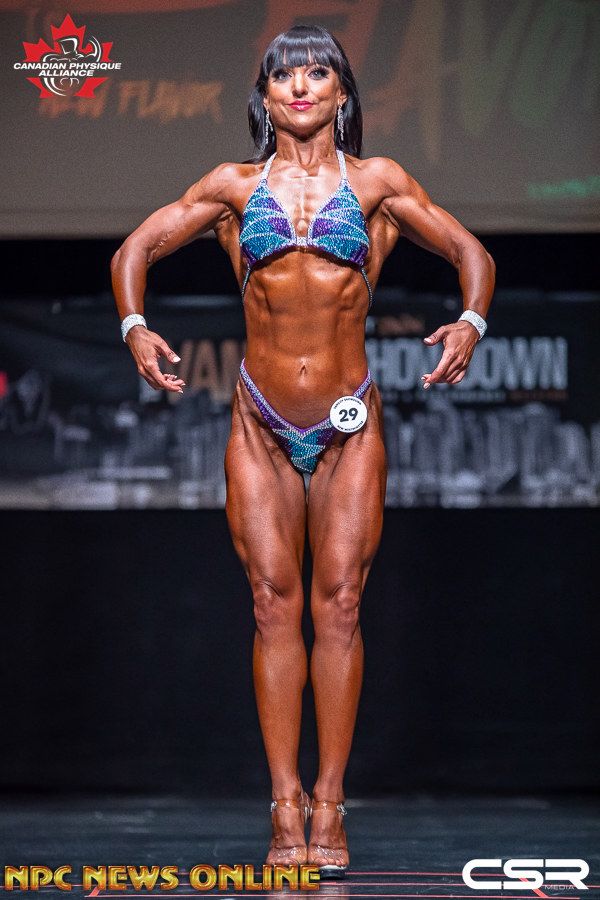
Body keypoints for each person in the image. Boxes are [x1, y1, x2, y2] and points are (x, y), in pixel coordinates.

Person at [111, 24, 495, 878]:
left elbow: (471, 252)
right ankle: (284, 804)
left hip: (349, 424)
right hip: (260, 422)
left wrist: (470, 321)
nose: (300, 86)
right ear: (264, 95)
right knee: (271, 604)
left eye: (318, 72)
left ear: (342, 92)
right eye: (285, 75)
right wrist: (135, 325)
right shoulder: (233, 186)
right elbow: (135, 248)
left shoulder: (378, 182)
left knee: (342, 606)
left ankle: (330, 801)